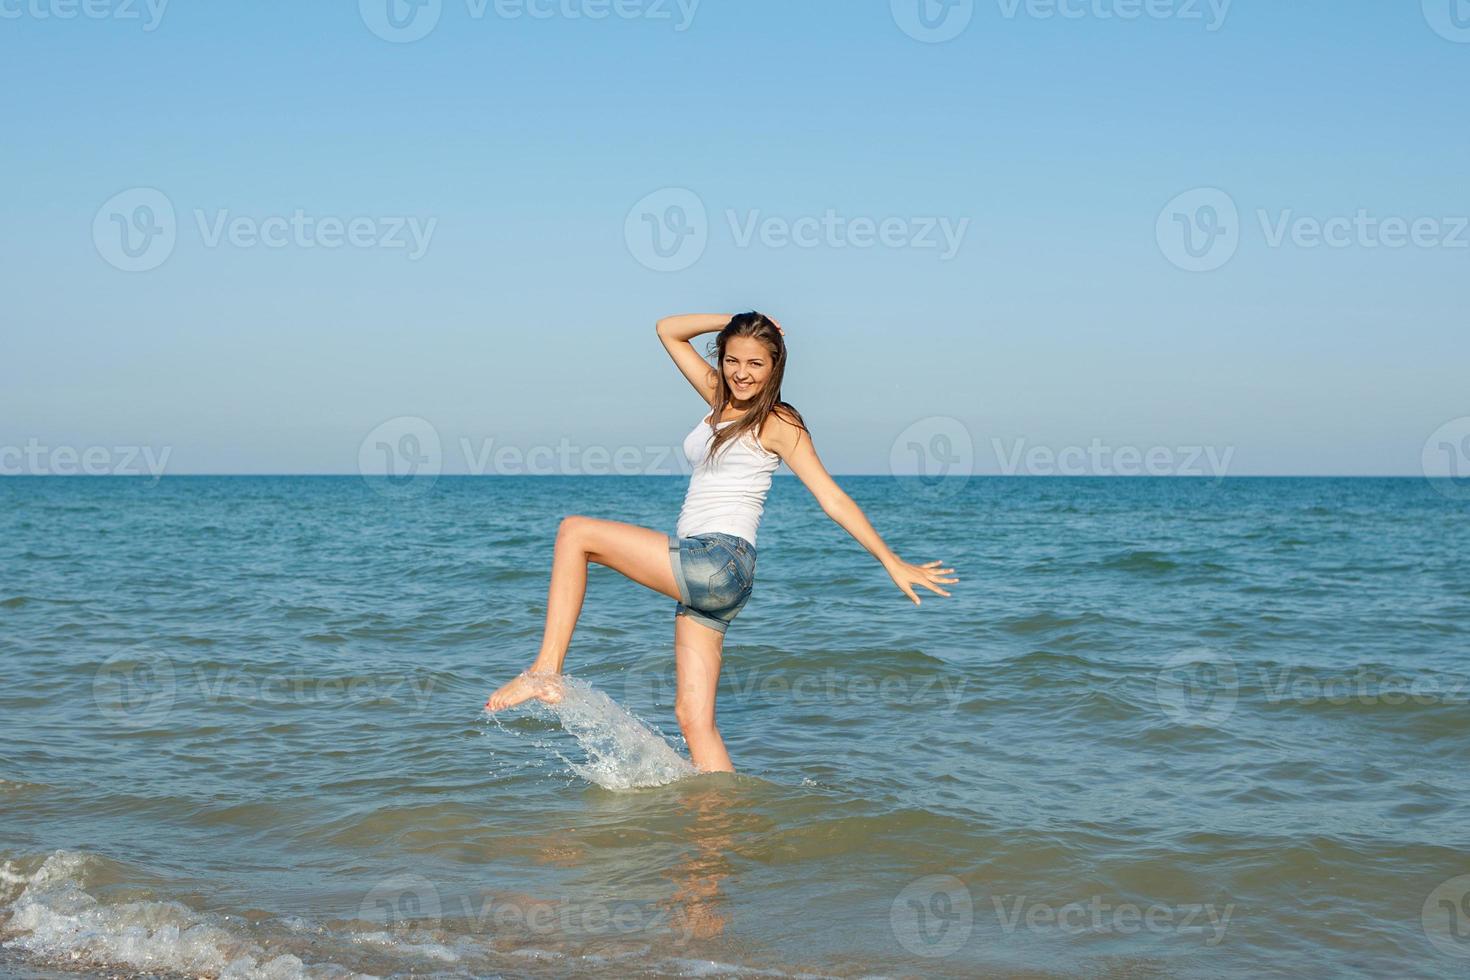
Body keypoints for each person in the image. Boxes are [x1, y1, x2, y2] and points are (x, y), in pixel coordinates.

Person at [484, 312, 958, 772]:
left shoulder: (779, 421)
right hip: (719, 578)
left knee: (575, 532)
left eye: (756, 363)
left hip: (717, 559)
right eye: (733, 360)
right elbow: (668, 331)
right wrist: (733, 318)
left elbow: (831, 497)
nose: (741, 373)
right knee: (694, 720)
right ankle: (718, 835)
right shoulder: (718, 396)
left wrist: (890, 560)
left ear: (775, 366)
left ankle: (546, 670)